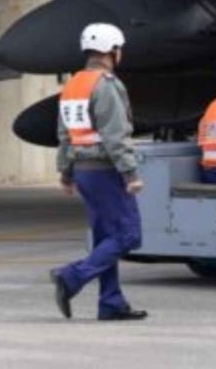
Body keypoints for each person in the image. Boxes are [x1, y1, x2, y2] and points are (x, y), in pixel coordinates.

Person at [49, 23, 147, 321]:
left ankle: (111, 302)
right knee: (128, 235)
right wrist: (131, 174)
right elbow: (116, 135)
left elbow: (65, 135)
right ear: (111, 51)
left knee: (106, 237)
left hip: (84, 170)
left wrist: (66, 173)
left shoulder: (73, 85)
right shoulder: (106, 85)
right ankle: (71, 276)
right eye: (119, 49)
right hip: (105, 170)